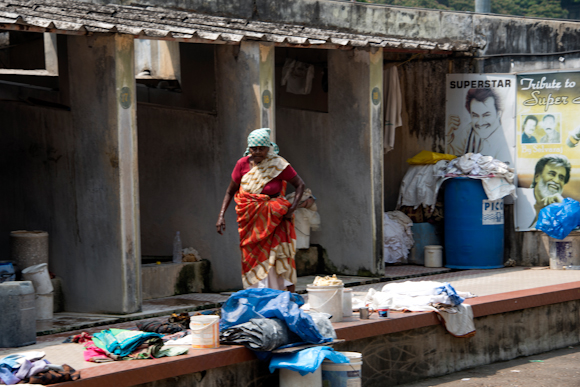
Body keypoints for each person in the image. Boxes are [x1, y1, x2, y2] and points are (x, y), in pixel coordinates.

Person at [216, 128, 305, 292]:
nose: (257, 152)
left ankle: (282, 296)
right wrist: (221, 216)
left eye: (261, 148)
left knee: (278, 257)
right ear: (249, 149)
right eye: (254, 148)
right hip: (251, 222)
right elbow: (230, 191)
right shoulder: (242, 164)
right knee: (252, 257)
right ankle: (258, 295)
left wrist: (291, 210)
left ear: (268, 147)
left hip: (276, 219)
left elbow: (300, 185)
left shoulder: (277, 164)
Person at [447, 88, 511, 164]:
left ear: (498, 114)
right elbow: (453, 156)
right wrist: (448, 136)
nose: (480, 122)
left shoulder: (506, 141)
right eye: (475, 115)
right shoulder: (469, 130)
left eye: (486, 115)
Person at [528, 154, 571, 227]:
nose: (556, 180)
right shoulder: (521, 198)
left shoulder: (561, 207)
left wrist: (563, 206)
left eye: (561, 178)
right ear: (537, 177)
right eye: (552, 174)